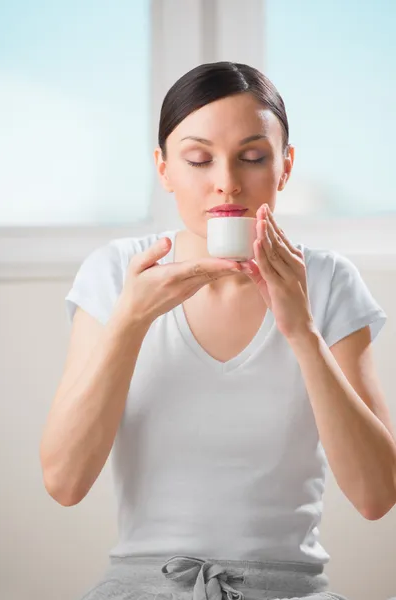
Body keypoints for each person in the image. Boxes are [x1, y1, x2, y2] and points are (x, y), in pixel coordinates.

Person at [40, 62, 396, 600]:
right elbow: (64, 484)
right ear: (163, 168)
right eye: (198, 159)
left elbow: (376, 496)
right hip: (142, 587)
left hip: (290, 589)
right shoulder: (116, 273)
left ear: (285, 165)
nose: (226, 180)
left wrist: (302, 331)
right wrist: (131, 322)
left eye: (252, 157)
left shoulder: (327, 281)